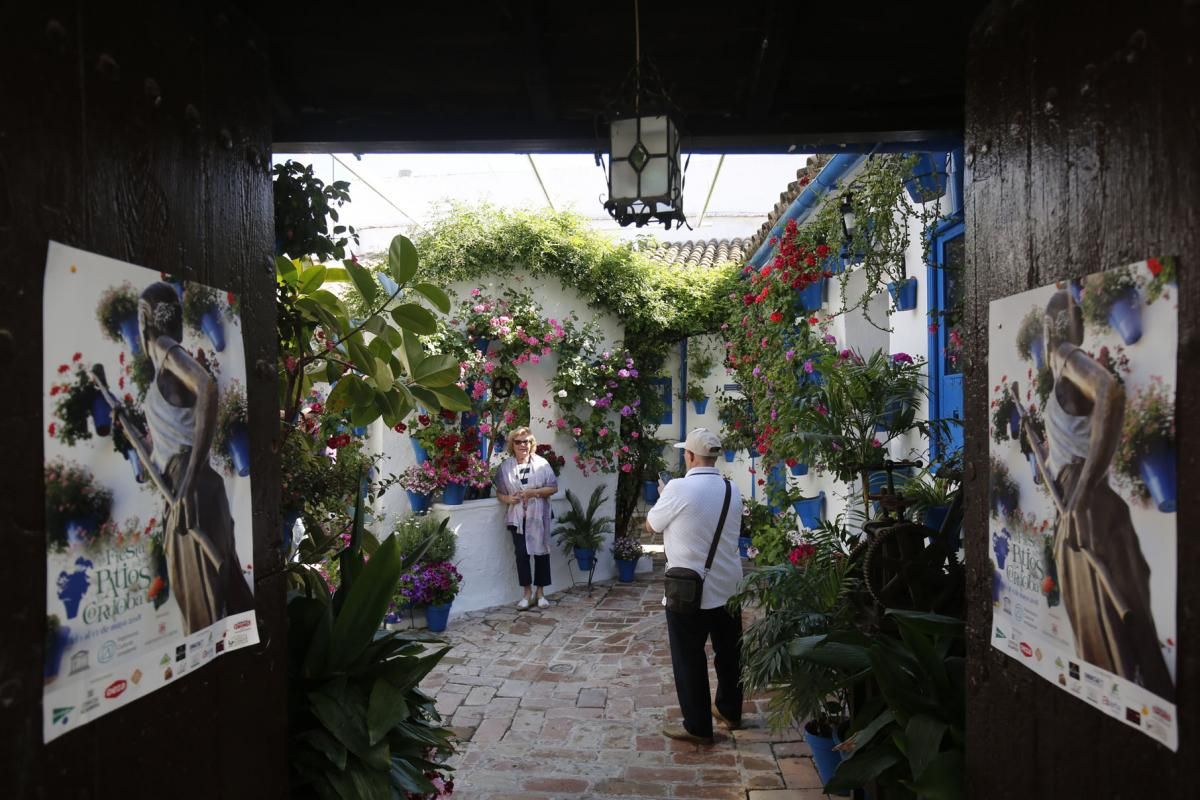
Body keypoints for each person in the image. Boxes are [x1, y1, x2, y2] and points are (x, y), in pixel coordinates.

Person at [1024, 288, 1173, 699]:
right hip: (1074, 505)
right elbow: (1071, 442)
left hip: (1089, 509)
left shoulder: (1069, 357)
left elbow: (1111, 390)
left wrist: (1083, 490)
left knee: (1117, 619)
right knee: (1095, 623)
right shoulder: (1058, 374)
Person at [130, 282, 254, 634]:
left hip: (191, 489)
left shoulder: (167, 351)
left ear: (145, 319)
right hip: (189, 486)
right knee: (225, 599)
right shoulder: (161, 375)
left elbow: (207, 386)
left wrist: (185, 484)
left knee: (204, 609)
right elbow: (169, 441)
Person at [645, 428, 744, 744]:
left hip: (688, 592)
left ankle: (698, 725)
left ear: (689, 455)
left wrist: (665, 498)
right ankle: (730, 711)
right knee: (729, 654)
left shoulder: (677, 488)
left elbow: (652, 524)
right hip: (728, 586)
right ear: (714, 457)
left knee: (688, 658)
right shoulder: (733, 489)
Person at [494, 427, 558, 609]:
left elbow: (553, 488)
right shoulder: (505, 467)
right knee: (522, 555)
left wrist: (534, 493)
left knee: (541, 553)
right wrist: (507, 498)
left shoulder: (542, 464)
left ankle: (541, 593)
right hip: (517, 517)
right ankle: (527, 593)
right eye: (519, 442)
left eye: (527, 441)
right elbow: (499, 492)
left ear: (532, 444)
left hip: (539, 515)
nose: (523, 445)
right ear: (512, 445)